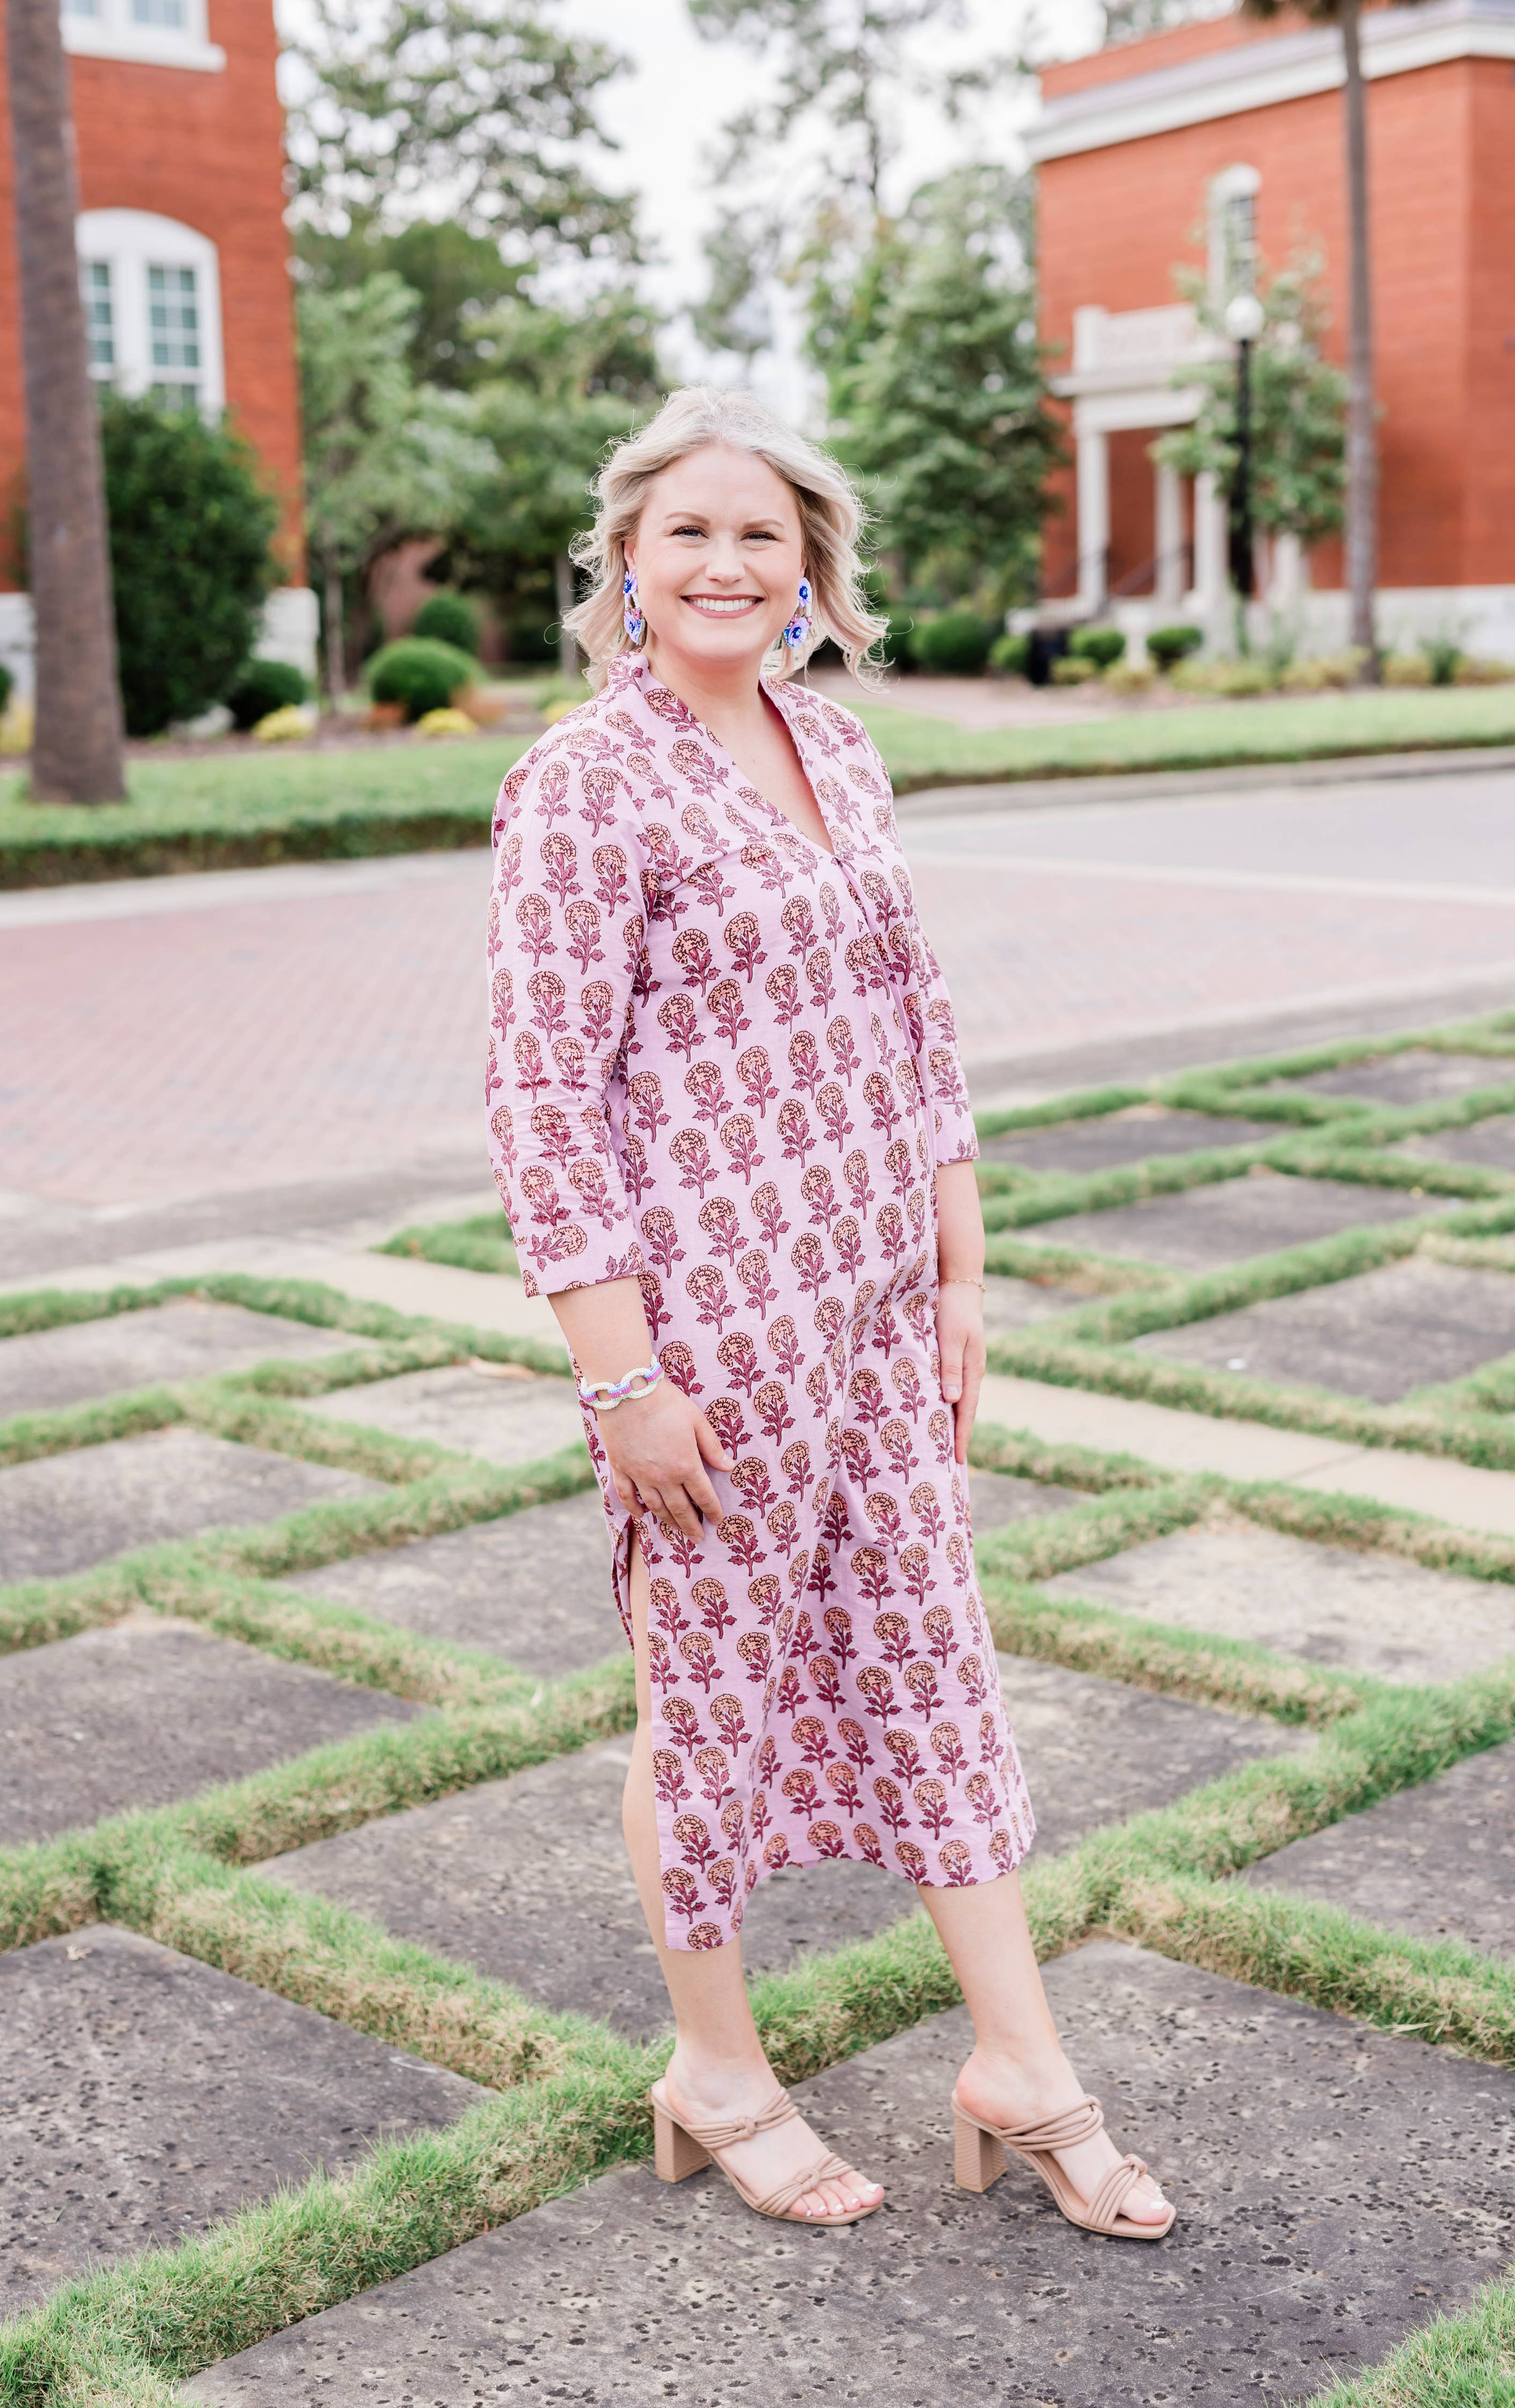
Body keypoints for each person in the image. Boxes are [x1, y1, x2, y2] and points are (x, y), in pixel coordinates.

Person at [484, 386, 1172, 2240]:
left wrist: (961, 1269)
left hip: (879, 1311)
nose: (724, 563)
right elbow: (543, 1098)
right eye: (688, 532)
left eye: (761, 536)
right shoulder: (584, 778)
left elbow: (915, 1020)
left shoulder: (838, 747)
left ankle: (1022, 2064)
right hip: (709, 1332)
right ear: (626, 561)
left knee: (938, 1663)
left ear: (810, 572)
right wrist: (618, 1376)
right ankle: (716, 2069)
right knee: (706, 1696)